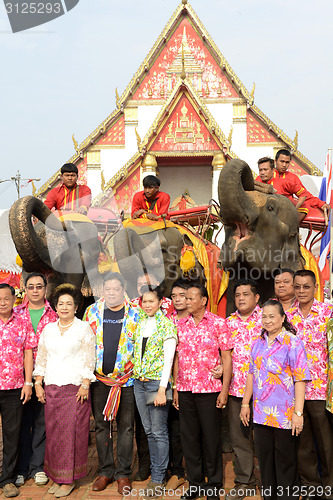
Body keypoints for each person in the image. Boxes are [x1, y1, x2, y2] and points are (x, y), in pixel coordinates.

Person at [240, 300, 310, 500]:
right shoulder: (259, 342)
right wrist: (245, 403)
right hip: (261, 413)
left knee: (285, 462)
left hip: (284, 414)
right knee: (265, 461)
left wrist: (298, 413)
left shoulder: (292, 342)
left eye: (272, 316)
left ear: (283, 318)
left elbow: (300, 379)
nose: (267, 320)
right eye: (264, 316)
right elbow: (252, 375)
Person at [33, 284, 96, 498]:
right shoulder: (48, 329)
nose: (65, 307)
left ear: (77, 307)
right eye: (61, 304)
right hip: (52, 388)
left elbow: (89, 358)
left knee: (72, 436)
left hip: (74, 389)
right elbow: (41, 357)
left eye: (69, 303)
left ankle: (68, 480)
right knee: (53, 435)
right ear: (56, 307)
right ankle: (57, 476)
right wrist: (38, 383)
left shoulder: (83, 328)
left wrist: (85, 384)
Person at [174, 283, 233, 500]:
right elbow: (177, 358)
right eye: (185, 298)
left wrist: (224, 389)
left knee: (211, 438)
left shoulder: (218, 323)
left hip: (210, 390)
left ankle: (214, 485)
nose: (186, 302)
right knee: (189, 439)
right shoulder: (180, 325)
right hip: (186, 389)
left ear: (204, 300)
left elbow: (227, 358)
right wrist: (176, 388)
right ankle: (196, 483)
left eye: (191, 298)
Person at [83, 272, 140, 494]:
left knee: (126, 427)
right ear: (103, 290)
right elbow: (85, 345)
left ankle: (123, 474)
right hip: (100, 380)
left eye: (116, 289)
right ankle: (105, 471)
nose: (112, 293)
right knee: (101, 426)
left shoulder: (135, 314)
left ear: (123, 290)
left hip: (126, 381)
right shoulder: (92, 312)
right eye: (108, 289)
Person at [287, 270, 333, 497]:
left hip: (321, 388)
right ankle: (311, 487)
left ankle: (329, 487)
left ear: (315, 287)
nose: (302, 291)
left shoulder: (328, 314)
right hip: (294, 390)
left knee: (325, 442)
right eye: (298, 287)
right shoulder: (286, 317)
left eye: (306, 286)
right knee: (302, 442)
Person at [133, 286, 177, 497]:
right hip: (138, 384)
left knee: (159, 432)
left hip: (155, 384)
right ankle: (156, 472)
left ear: (160, 302)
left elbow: (168, 360)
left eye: (152, 301)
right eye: (145, 301)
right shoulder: (139, 324)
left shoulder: (166, 325)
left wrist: (162, 389)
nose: (148, 305)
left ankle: (159, 478)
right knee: (148, 430)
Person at [14, 273, 58, 488]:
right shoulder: (15, 313)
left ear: (45, 289)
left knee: (42, 422)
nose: (34, 290)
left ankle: (37, 466)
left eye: (39, 286)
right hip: (16, 378)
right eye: (30, 286)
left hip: (46, 377)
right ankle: (21, 468)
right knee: (21, 423)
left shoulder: (55, 315)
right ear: (24, 288)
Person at [224, 279, 261, 500]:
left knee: (267, 439)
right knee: (240, 438)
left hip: (266, 392)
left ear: (256, 298)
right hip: (237, 390)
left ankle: (270, 481)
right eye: (237, 294)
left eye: (245, 294)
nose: (240, 298)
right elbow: (223, 354)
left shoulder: (267, 318)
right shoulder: (228, 323)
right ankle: (245, 481)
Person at [0, 283, 36, 499]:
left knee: (12, 436)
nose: (2, 302)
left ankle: (7, 479)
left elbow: (29, 353)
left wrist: (28, 383)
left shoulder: (23, 322)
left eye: (6, 298)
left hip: (14, 387)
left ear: (14, 299)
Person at [165, 279, 191, 491]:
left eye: (182, 295)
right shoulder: (167, 320)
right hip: (171, 384)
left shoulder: (199, 319)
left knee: (193, 429)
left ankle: (196, 470)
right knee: (174, 428)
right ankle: (177, 471)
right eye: (174, 296)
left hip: (195, 383)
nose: (178, 299)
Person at [256, 151, 330, 222]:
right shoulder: (264, 175)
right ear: (275, 161)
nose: (284, 165)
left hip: (285, 208)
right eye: (282, 161)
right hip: (266, 207)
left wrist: (321, 204)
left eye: (287, 162)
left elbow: (305, 195)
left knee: (305, 206)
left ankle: (291, 230)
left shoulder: (292, 178)